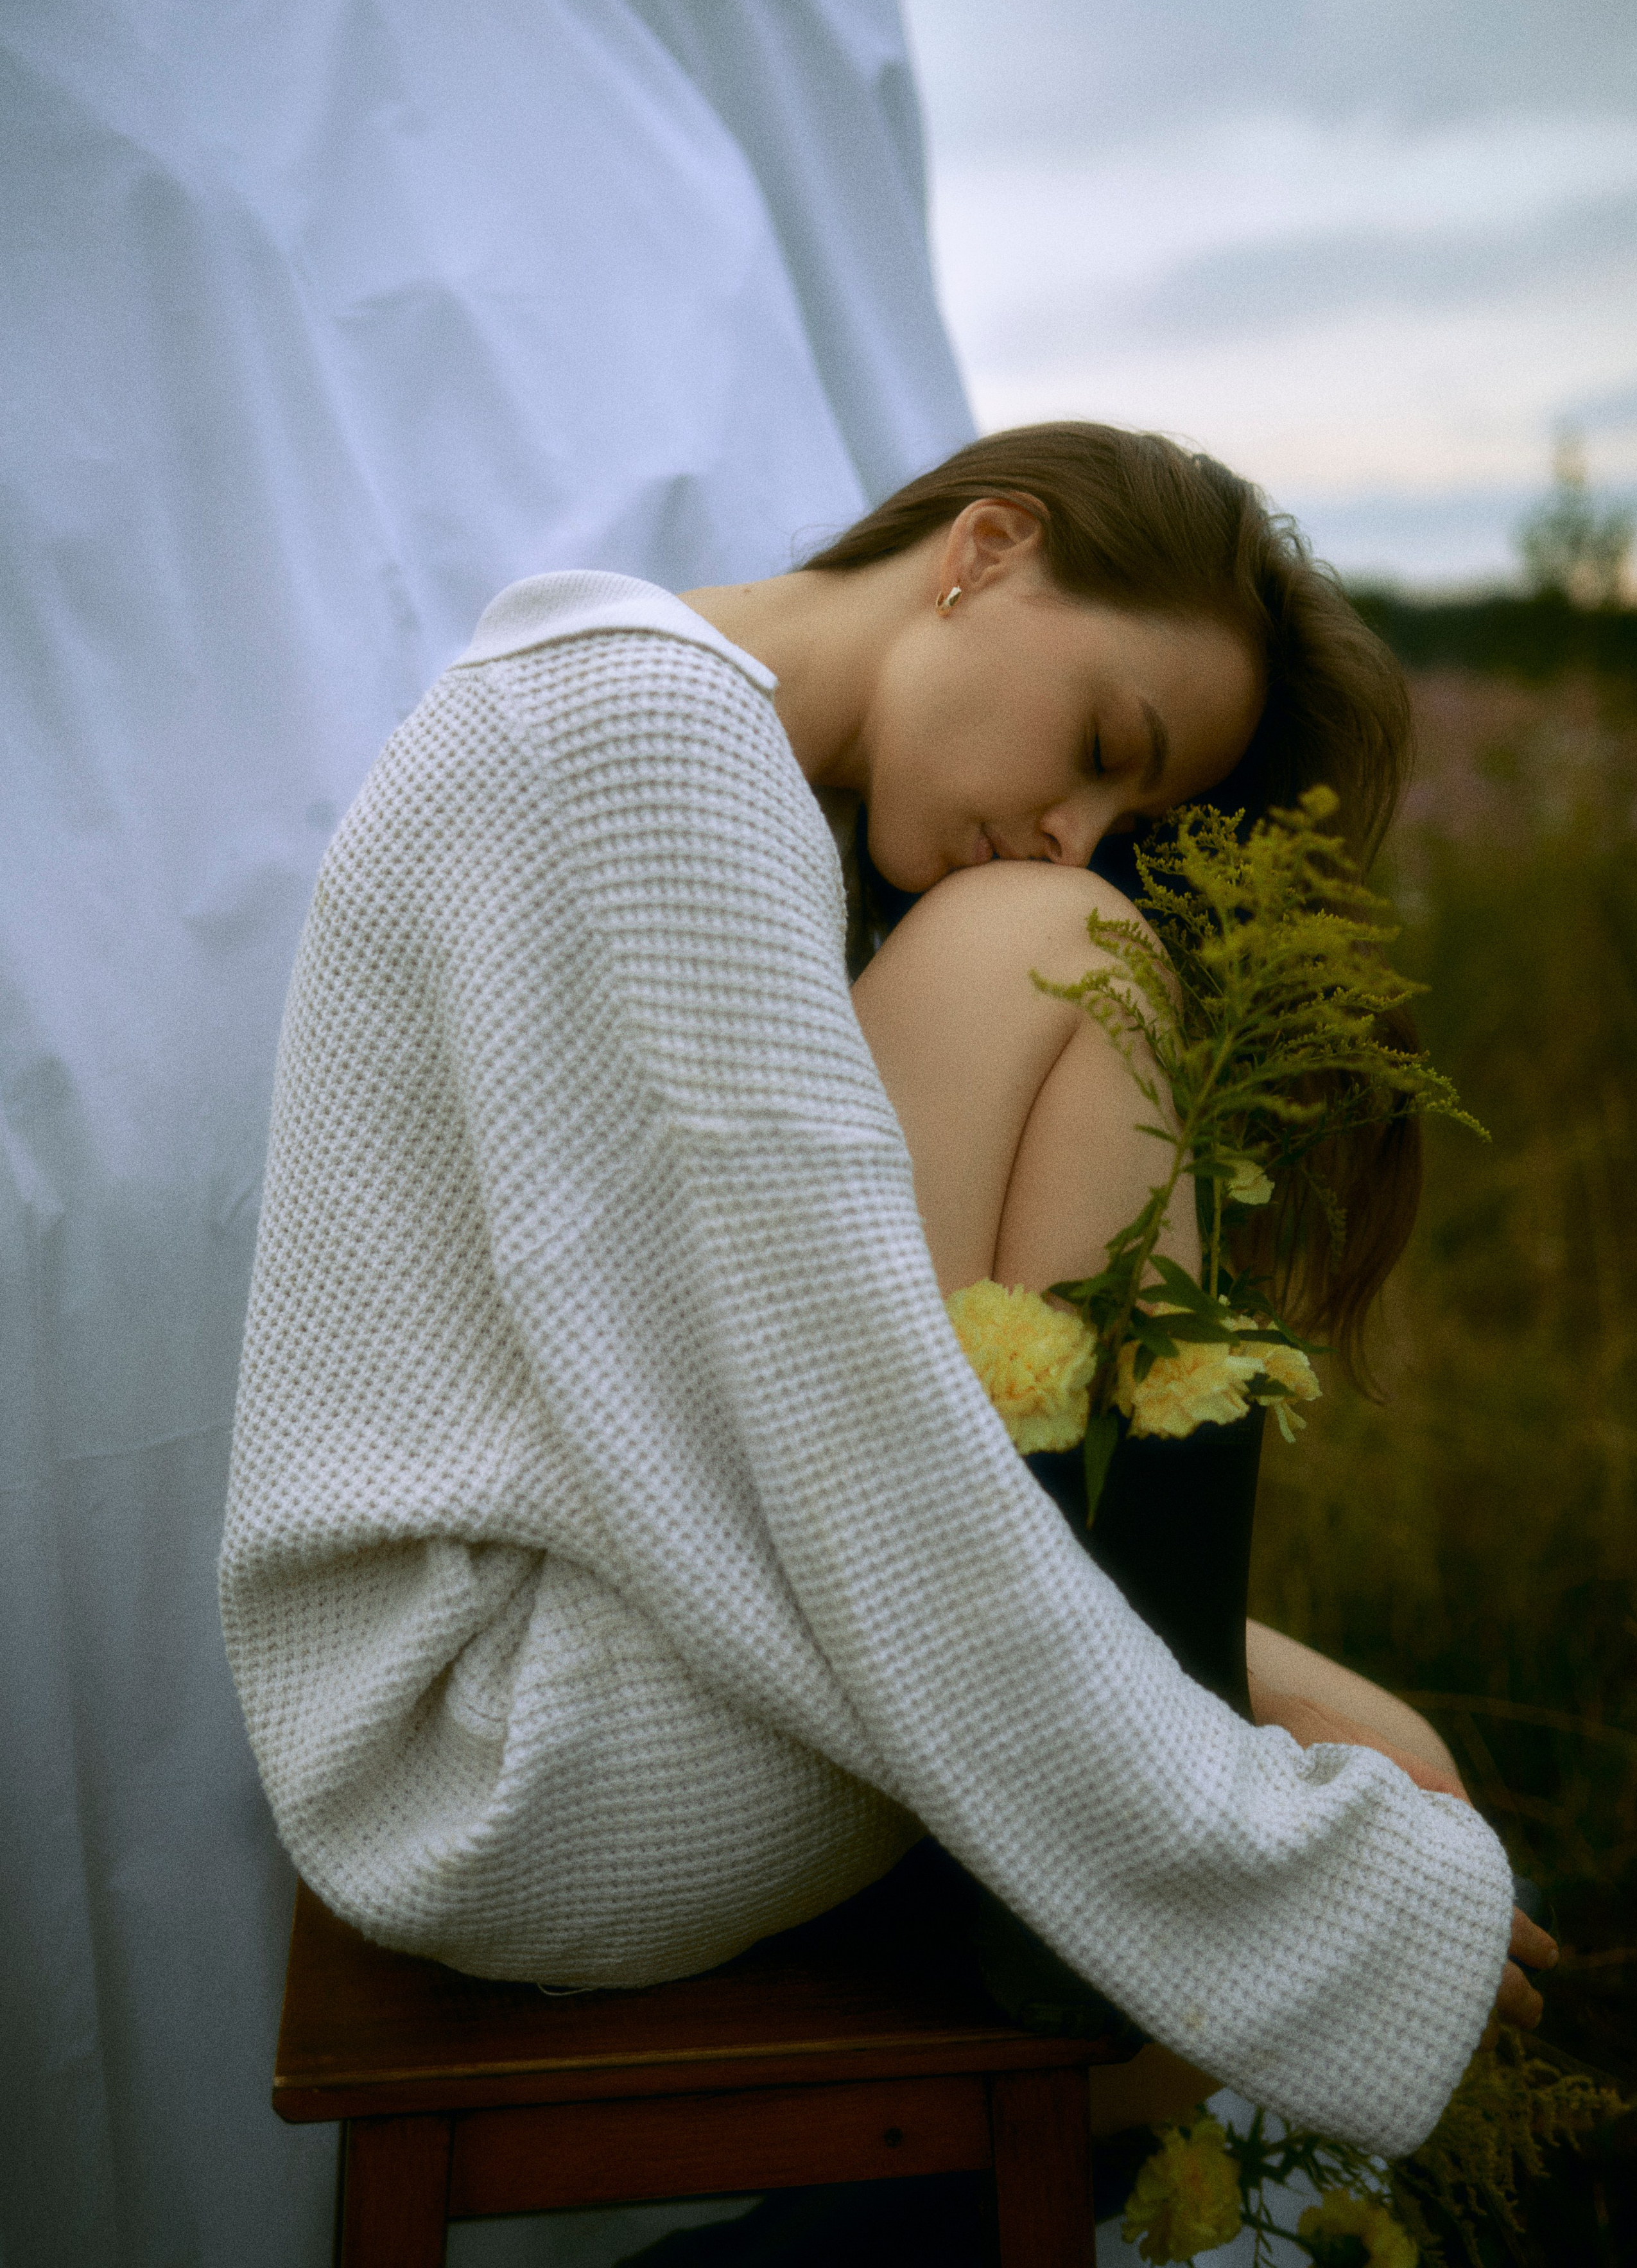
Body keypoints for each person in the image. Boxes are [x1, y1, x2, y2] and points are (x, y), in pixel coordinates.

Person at [220, 423, 1550, 2163]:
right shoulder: (649, 736)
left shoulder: (699, 762)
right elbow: (837, 1440)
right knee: (1068, 953)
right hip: (513, 1760)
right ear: (986, 547)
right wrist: (1274, 1863)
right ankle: (1112, 2131)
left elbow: (765, 1433)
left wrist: (1256, 1720)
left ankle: (1115, 2112)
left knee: (1374, 1744)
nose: (1079, 833)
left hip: (563, 1678)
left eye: (1130, 812)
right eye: (1104, 747)